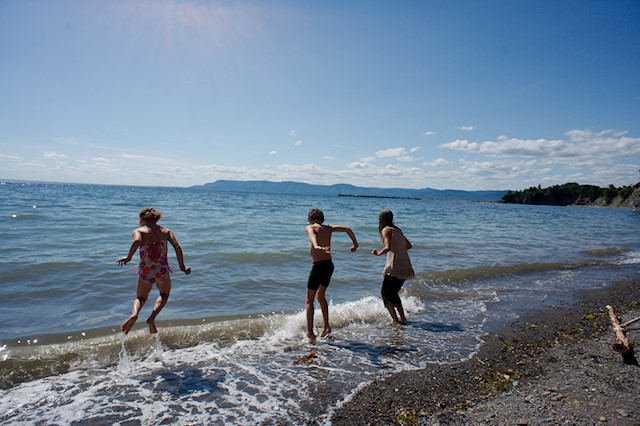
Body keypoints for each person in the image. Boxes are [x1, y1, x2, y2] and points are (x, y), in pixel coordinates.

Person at [117, 207, 191, 334]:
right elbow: (177, 247)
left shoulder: (139, 231)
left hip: (146, 271)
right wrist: (182, 266)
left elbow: (137, 241)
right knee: (164, 295)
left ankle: (134, 314)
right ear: (157, 219)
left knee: (140, 298)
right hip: (162, 270)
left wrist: (128, 257)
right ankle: (151, 318)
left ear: (141, 219)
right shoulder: (166, 231)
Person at [305, 208, 358, 341]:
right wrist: (355, 244)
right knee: (320, 295)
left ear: (310, 219)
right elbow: (348, 229)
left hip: (318, 267)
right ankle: (326, 326)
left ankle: (310, 333)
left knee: (309, 300)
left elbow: (312, 234)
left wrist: (316, 246)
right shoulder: (329, 228)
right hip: (329, 265)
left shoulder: (310, 227)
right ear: (322, 219)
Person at [371, 209, 414, 324]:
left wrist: (378, 252)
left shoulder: (386, 230)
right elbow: (408, 246)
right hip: (405, 265)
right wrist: (396, 249)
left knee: (385, 293)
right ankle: (402, 318)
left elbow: (387, 247)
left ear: (382, 221)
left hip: (394, 267)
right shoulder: (398, 230)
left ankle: (395, 319)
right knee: (393, 293)